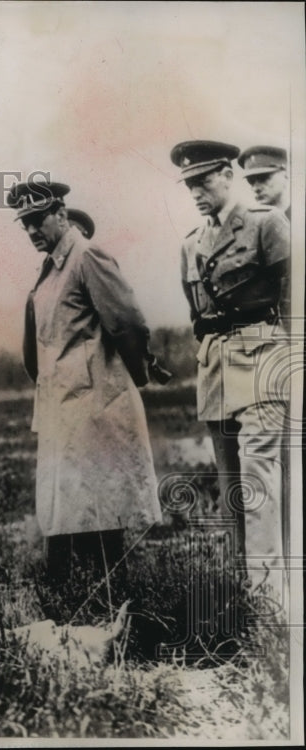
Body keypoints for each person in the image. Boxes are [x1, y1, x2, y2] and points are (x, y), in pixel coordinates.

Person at [9, 178, 163, 588]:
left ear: (61, 214)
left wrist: (137, 375)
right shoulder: (51, 269)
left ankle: (111, 596)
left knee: (98, 504)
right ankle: (70, 597)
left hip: (92, 403)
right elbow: (38, 345)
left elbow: (126, 320)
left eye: (38, 220)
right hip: (62, 403)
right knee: (69, 504)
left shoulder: (86, 256)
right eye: (24, 223)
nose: (31, 231)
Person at [170, 140, 291, 593]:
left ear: (226, 175)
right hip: (217, 370)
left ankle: (270, 598)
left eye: (203, 181)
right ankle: (246, 595)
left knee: (260, 481)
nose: (196, 192)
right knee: (232, 491)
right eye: (189, 186)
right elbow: (195, 312)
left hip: (262, 364)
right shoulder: (192, 243)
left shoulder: (266, 224)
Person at [238, 145, 290, 220]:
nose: (255, 189)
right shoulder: (251, 223)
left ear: (285, 175)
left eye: (263, 178)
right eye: (251, 181)